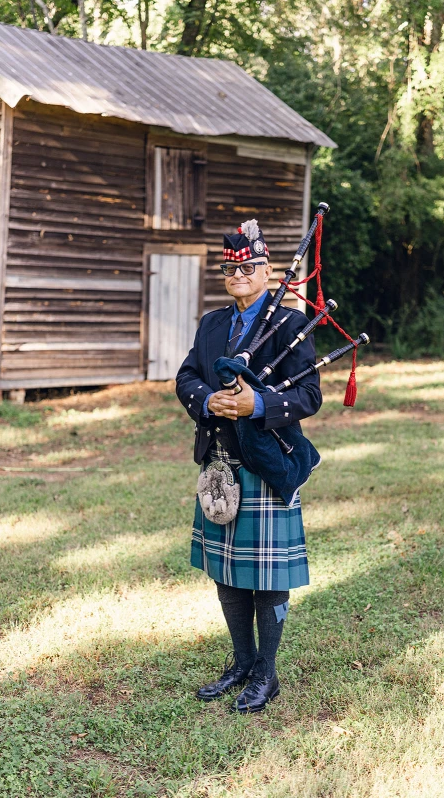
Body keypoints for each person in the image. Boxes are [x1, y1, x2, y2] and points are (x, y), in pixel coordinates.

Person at [175, 219, 322, 713]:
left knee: (266, 575)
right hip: (220, 462)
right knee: (227, 569)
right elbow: (187, 375)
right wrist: (209, 399)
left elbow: (309, 395)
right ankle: (240, 661)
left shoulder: (292, 324)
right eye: (230, 267)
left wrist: (256, 406)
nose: (239, 273)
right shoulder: (213, 324)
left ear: (267, 271)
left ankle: (266, 672)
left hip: (267, 462)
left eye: (249, 266)